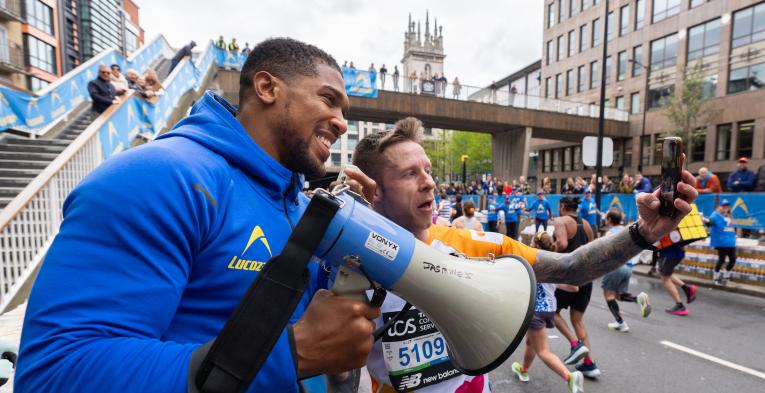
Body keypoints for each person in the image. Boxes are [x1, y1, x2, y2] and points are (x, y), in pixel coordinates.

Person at [16, 37, 380, 393]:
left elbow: (323, 328)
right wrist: (293, 354)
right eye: (328, 100)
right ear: (267, 87)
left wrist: (358, 238)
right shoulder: (162, 175)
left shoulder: (300, 207)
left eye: (344, 112)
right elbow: (56, 373)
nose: (341, 123)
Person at [352, 116, 698, 393]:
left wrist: (643, 233)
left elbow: (571, 268)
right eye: (411, 174)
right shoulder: (347, 265)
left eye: (427, 169)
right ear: (373, 189)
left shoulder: (473, 243)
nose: (429, 182)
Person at [512, 231, 585, 393]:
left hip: (535, 310)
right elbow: (574, 288)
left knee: (543, 351)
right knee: (531, 342)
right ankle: (523, 369)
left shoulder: (530, 263)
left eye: (531, 242)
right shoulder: (553, 265)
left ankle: (569, 377)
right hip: (550, 309)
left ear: (535, 245)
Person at [552, 196, 599, 379]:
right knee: (577, 320)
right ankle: (589, 363)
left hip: (567, 278)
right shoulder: (586, 224)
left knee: (551, 312)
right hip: (586, 278)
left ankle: (574, 345)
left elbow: (562, 244)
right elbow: (592, 248)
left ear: (562, 207)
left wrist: (548, 250)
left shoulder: (560, 221)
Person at [600, 209, 651, 332]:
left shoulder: (610, 233)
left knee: (609, 295)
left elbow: (605, 251)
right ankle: (638, 299)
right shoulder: (627, 230)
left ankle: (621, 323)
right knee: (619, 295)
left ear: (610, 220)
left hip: (615, 266)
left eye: (606, 218)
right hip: (628, 266)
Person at [657, 243, 696, 315]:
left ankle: (680, 306)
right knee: (664, 273)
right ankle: (687, 289)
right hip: (678, 251)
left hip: (669, 252)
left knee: (665, 279)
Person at [709, 199, 737, 285]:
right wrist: (716, 212)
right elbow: (710, 222)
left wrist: (729, 215)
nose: (726, 207)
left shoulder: (729, 216)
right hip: (721, 243)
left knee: (733, 259)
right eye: (723, 206)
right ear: (719, 207)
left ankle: (726, 276)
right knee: (721, 260)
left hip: (731, 243)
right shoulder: (715, 215)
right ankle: (715, 278)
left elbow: (732, 226)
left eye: (727, 206)